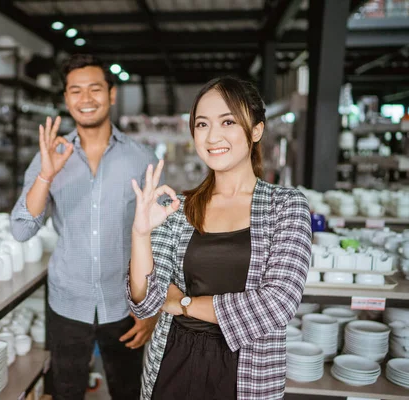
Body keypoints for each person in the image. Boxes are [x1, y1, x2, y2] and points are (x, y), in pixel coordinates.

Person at [127, 76, 312, 400]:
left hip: (246, 368)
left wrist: (183, 303)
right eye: (202, 124)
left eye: (227, 121)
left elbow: (277, 303)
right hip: (172, 360)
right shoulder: (180, 207)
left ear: (256, 130)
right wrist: (140, 232)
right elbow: (146, 302)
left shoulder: (286, 204)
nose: (213, 136)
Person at [11, 54, 160, 400]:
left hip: (125, 303)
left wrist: (152, 309)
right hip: (67, 302)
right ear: (66, 99)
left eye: (95, 89)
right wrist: (47, 173)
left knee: (130, 392)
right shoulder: (50, 155)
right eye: (75, 91)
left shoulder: (142, 159)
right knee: (65, 393)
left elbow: (158, 239)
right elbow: (21, 230)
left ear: (111, 94)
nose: (86, 98)